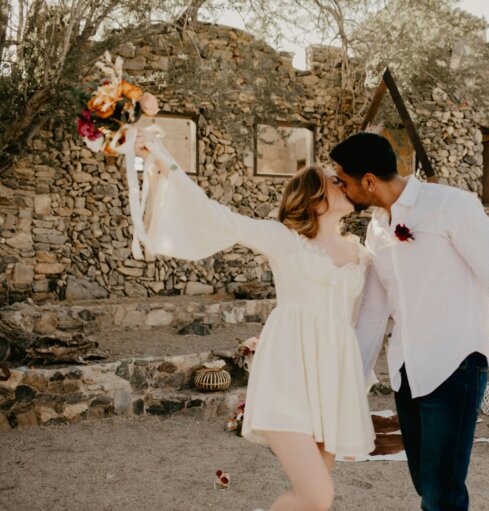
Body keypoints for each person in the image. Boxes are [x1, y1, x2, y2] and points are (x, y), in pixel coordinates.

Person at [132, 130, 375, 511]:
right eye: (333, 180)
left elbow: (368, 316)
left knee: (315, 500)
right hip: (289, 373)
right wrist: (163, 158)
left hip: (332, 380)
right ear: (314, 197)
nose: (343, 183)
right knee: (318, 495)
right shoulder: (284, 240)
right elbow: (218, 216)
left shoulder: (361, 255)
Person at [330, 132, 489, 511]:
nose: (339, 187)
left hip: (456, 366)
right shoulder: (376, 228)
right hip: (407, 371)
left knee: (442, 495)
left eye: (342, 180)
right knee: (426, 484)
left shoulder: (451, 207)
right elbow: (373, 313)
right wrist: (351, 385)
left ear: (369, 181)